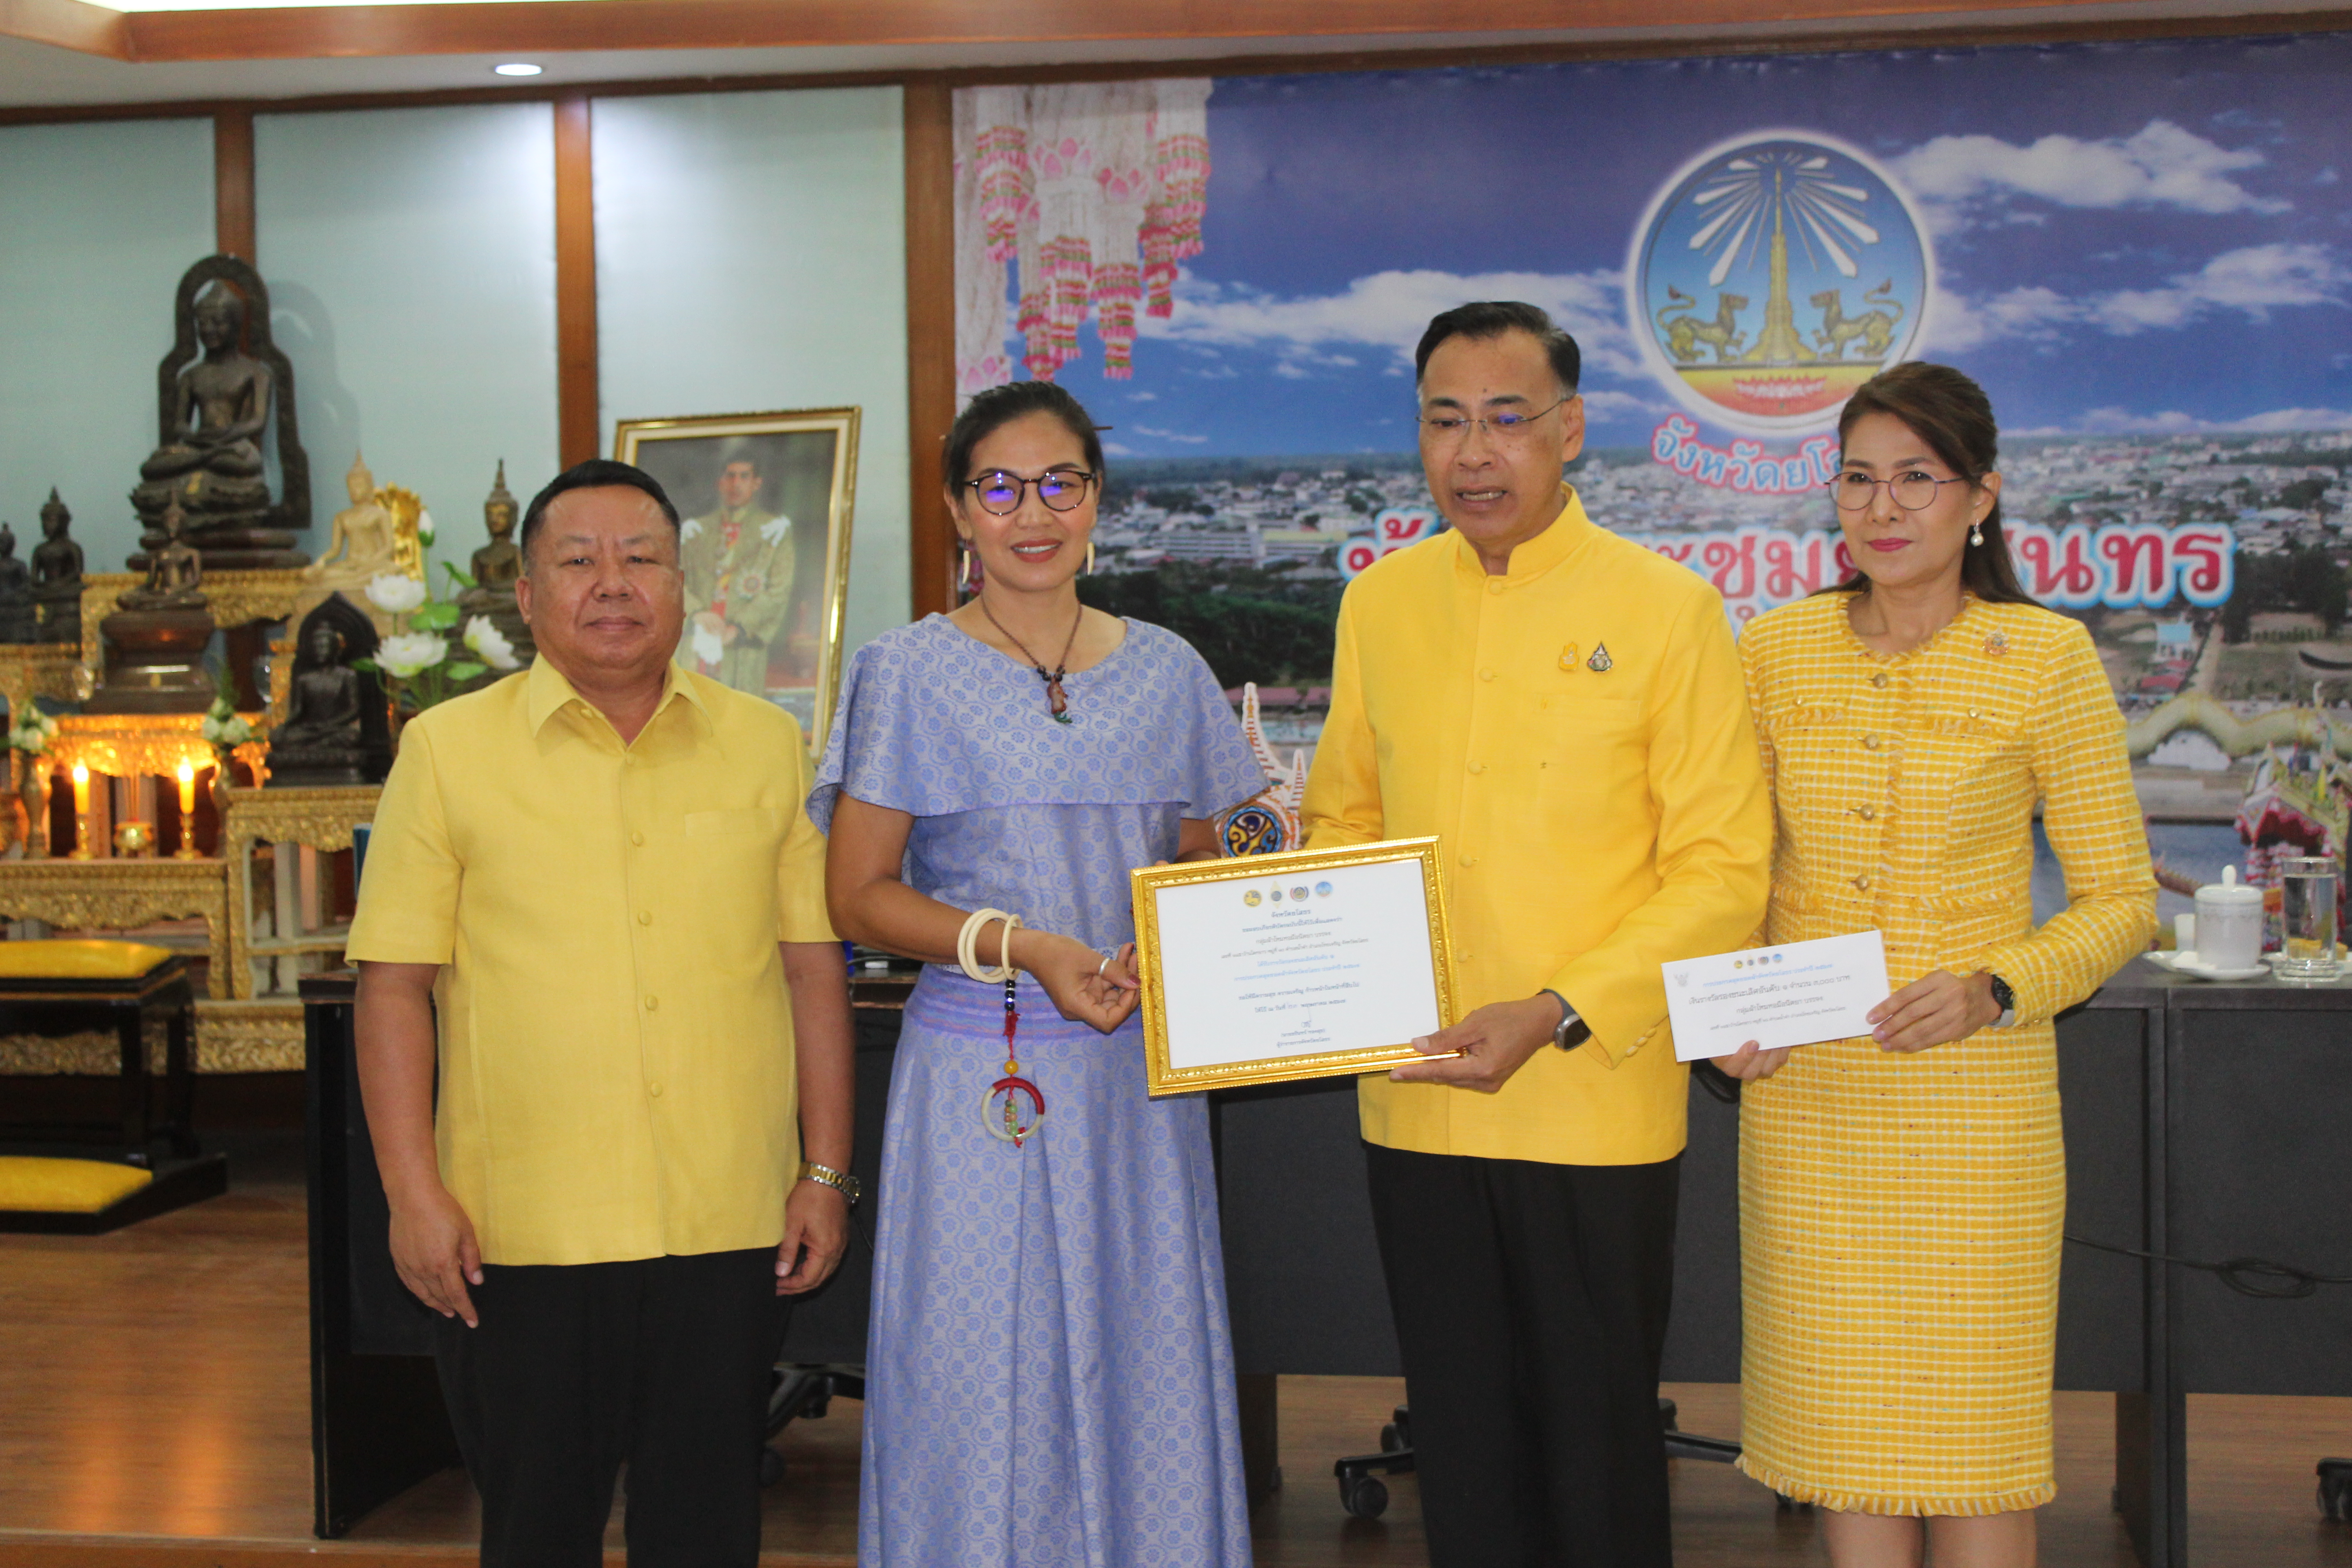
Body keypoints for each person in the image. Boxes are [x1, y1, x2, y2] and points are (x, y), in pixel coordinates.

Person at [1300, 300, 1772, 1568]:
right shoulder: (1381, 604)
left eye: (1507, 420)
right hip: (1419, 1096)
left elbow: (1724, 870)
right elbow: (1342, 816)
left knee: (1598, 1446)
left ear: (1569, 431)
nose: (1475, 454)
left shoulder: (1670, 609)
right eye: (1446, 422)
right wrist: (1297, 948)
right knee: (1460, 1440)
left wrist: (1557, 1009)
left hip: (1594, 1098)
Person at [346, 457, 856, 1568]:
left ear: (684, 586)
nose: (611, 582)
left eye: (640, 558)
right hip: (519, 1229)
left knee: (707, 1522)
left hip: (726, 1220)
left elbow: (813, 967)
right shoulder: (444, 752)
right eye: (576, 561)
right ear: (526, 596)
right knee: (536, 1529)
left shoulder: (765, 744)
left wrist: (823, 1171)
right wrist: (411, 1192)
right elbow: (394, 986)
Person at [813, 379, 1263, 1568]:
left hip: (1132, 1083)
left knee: (1147, 1355)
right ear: (960, 511)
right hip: (978, 1074)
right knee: (973, 1367)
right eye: (999, 487)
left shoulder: (1167, 669)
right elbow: (857, 893)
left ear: (1097, 500)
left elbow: (1207, 860)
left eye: (1060, 483)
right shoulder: (903, 671)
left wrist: (1207, 929)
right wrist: (1030, 948)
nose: (1032, 512)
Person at [1721, 362, 2156, 1567]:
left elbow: (2124, 899)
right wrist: (1731, 1005)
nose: (1884, 505)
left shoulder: (2047, 656)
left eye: (1918, 476)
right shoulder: (1774, 649)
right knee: (1847, 1445)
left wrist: (1997, 987)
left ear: (1983, 498)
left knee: (1975, 1455)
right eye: (1859, 477)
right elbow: (1732, 874)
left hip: (1979, 1100)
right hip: (1812, 1100)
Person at [680, 445, 797, 694]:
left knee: (740, 718)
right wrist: (697, 612)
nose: (736, 484)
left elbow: (779, 590)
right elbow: (673, 581)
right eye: (730, 476)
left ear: (757, 483)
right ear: (719, 482)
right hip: (696, 644)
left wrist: (739, 629)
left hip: (740, 648)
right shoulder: (696, 531)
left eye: (744, 477)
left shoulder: (773, 532)